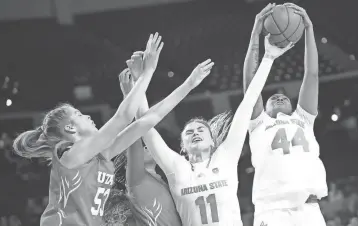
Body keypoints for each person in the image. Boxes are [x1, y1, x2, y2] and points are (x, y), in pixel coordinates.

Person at [12, 32, 212, 226]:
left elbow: (147, 120)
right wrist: (147, 72)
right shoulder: (68, 155)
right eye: (80, 115)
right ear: (71, 128)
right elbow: (122, 117)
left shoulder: (101, 155)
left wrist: (189, 84)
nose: (88, 116)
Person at [133, 36, 292, 225]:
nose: (196, 133)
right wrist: (139, 80)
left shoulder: (225, 157)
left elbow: (248, 101)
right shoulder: (177, 167)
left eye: (201, 130)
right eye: (189, 132)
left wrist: (268, 58)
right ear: (182, 146)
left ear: (212, 142)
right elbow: (144, 126)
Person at [104, 50, 214, 226]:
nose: (145, 148)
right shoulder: (136, 181)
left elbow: (146, 127)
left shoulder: (166, 179)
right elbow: (137, 131)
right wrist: (130, 94)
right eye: (142, 148)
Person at [243, 3, 328, 226]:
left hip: (310, 210)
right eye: (272, 98)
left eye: (283, 97)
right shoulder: (258, 123)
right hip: (273, 211)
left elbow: (312, 75)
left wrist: (309, 29)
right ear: (265, 108)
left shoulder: (303, 119)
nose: (278, 97)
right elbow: (251, 83)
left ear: (293, 106)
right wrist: (255, 34)